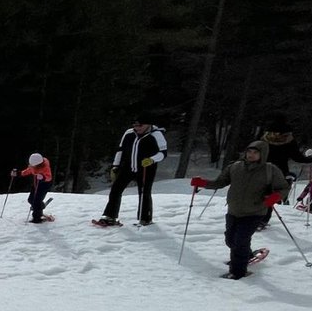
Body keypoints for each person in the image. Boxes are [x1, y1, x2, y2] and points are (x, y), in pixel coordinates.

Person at [190, 141, 286, 280]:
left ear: (262, 154)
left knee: (240, 241)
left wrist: (275, 197)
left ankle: (238, 272)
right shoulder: (235, 167)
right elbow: (219, 182)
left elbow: (283, 188)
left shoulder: (270, 170)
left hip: (254, 212)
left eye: (255, 153)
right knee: (230, 240)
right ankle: (247, 255)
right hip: (234, 210)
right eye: (249, 152)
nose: (251, 155)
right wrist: (202, 183)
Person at [95, 115, 167, 227]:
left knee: (144, 193)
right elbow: (120, 150)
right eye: (135, 125)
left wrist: (151, 160)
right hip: (128, 167)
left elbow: (163, 153)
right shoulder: (129, 133)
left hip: (146, 169)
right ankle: (110, 216)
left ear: (148, 124)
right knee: (115, 190)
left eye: (140, 125)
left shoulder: (156, 134)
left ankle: (145, 219)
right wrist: (115, 166)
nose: (137, 128)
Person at [14, 152, 52, 223]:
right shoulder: (33, 165)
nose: (32, 166)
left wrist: (43, 177)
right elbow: (28, 170)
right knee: (31, 199)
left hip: (44, 185)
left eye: (33, 166)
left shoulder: (45, 167)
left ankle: (37, 218)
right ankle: (40, 206)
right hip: (36, 183)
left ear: (38, 164)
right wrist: (19, 173)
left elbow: (49, 177)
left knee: (36, 201)